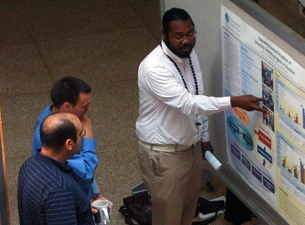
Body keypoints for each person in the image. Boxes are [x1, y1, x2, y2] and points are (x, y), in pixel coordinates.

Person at [136, 8, 267, 225]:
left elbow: (198, 94)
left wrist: (203, 137)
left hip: (191, 147)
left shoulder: (189, 55)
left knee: (188, 213)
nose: (186, 40)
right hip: (165, 153)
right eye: (179, 36)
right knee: (168, 218)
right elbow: (189, 103)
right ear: (164, 35)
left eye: (190, 33)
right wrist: (234, 101)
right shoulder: (153, 68)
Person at [18, 112, 95, 224]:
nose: (82, 137)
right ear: (69, 144)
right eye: (80, 134)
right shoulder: (60, 189)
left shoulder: (29, 164)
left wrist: (82, 209)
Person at [32, 76, 100, 200]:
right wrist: (88, 138)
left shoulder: (50, 113)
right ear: (67, 106)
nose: (89, 109)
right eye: (84, 106)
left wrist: (93, 189)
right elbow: (85, 176)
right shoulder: (60, 135)